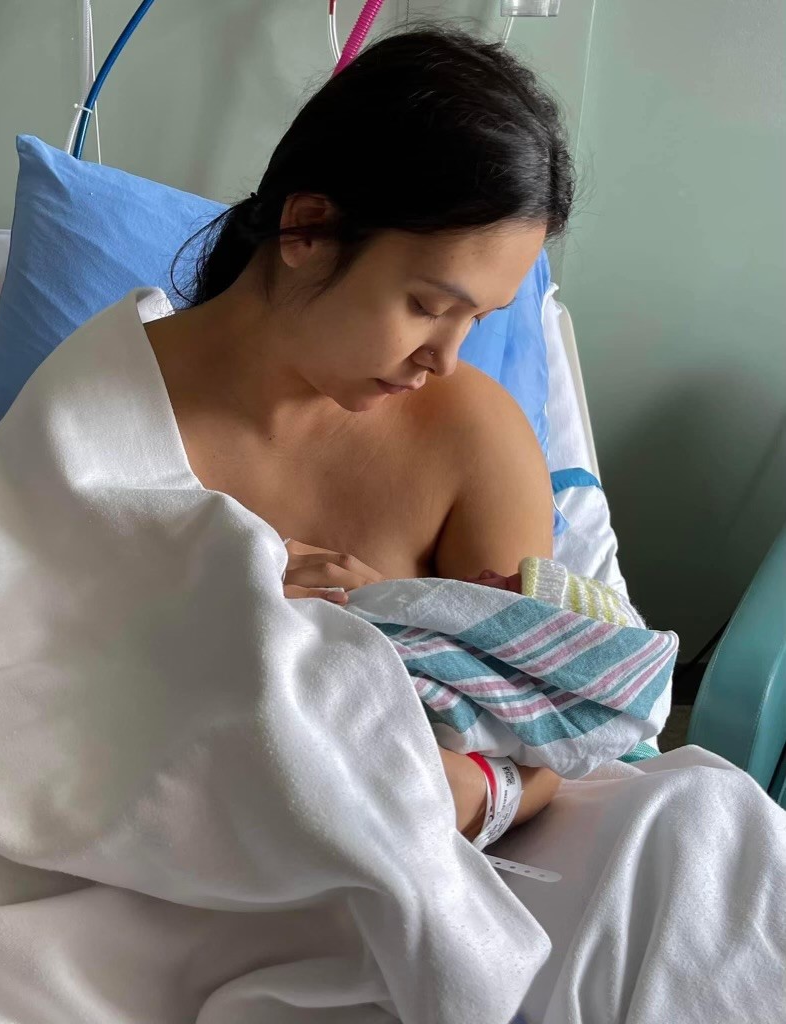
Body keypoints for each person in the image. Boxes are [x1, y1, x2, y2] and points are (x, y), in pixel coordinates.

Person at [147, 26, 573, 844]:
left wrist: (471, 787)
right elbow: (24, 665)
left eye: (476, 321)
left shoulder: (473, 437)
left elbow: (548, 733)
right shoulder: (103, 410)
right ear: (308, 230)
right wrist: (196, 613)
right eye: (427, 306)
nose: (444, 359)